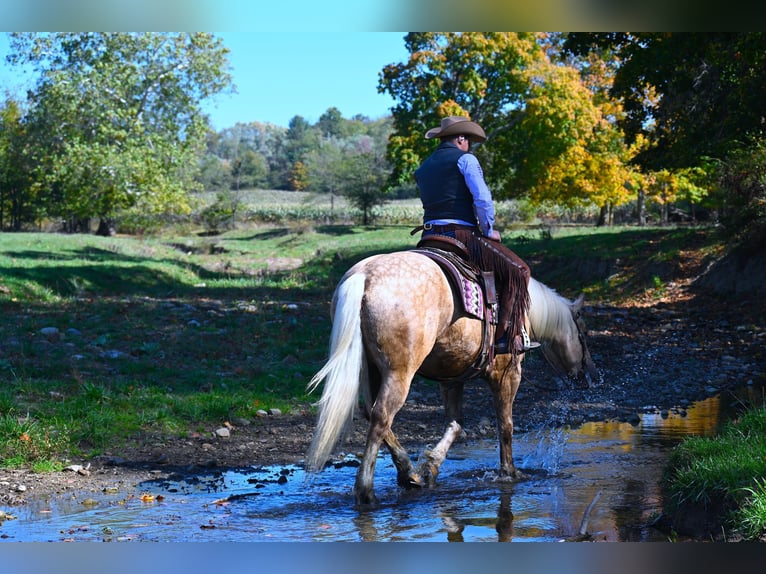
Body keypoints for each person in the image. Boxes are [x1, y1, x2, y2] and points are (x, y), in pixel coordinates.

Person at [413, 116, 539, 354]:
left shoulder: (424, 167)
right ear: (460, 138)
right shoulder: (466, 160)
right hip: (461, 235)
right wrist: (489, 230)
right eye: (467, 140)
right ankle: (503, 338)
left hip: (428, 236)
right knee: (520, 271)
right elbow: (482, 199)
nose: (468, 144)